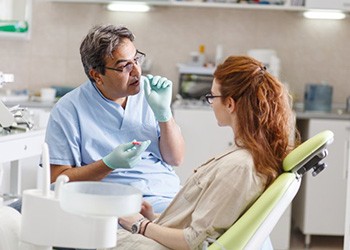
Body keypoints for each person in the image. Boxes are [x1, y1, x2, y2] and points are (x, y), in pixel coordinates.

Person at [101, 55, 299, 250]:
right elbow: (202, 219)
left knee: (100, 235)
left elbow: (193, 241)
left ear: (230, 104)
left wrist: (141, 225)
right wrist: (152, 218)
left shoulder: (239, 167)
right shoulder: (248, 156)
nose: (211, 103)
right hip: (168, 231)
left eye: (212, 97)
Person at [44, 24, 185, 213]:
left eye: (136, 60)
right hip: (116, 204)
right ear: (97, 75)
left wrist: (164, 115)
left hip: (168, 195)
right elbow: (57, 181)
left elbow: (175, 159)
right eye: (125, 66)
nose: (136, 71)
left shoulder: (150, 93)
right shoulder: (68, 110)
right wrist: (108, 164)